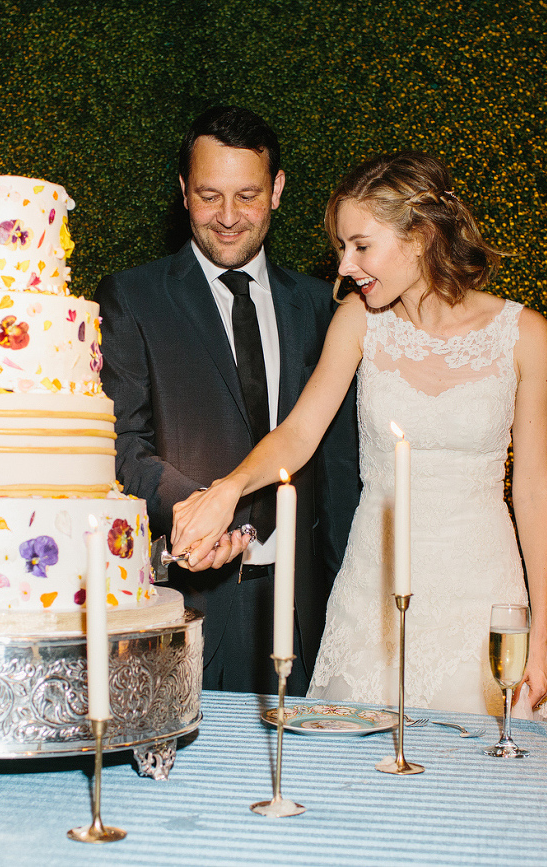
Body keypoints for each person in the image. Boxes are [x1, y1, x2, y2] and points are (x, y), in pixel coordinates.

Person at [172, 151, 547, 720]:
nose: (345, 266)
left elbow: (532, 489)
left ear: (421, 236)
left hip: (483, 591)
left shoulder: (524, 335)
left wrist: (542, 626)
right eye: (340, 248)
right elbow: (299, 433)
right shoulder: (359, 322)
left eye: (361, 245)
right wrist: (228, 487)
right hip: (373, 597)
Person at [96, 106, 359, 696]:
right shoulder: (132, 297)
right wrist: (204, 511)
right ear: (184, 191)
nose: (229, 218)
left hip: (308, 614)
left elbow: (341, 473)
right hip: (191, 606)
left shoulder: (325, 308)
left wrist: (349, 600)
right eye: (210, 196)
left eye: (248, 196)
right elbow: (121, 447)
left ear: (278, 190)